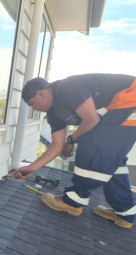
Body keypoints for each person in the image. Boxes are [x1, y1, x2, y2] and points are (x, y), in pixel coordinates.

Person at [12, 73, 136, 229]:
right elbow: (57, 146)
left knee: (93, 144)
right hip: (120, 110)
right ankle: (125, 212)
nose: (34, 109)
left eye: (32, 104)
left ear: (41, 93)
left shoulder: (68, 88)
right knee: (111, 159)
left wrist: (71, 139)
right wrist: (31, 168)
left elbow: (91, 120)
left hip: (130, 98)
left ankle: (73, 201)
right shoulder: (53, 115)